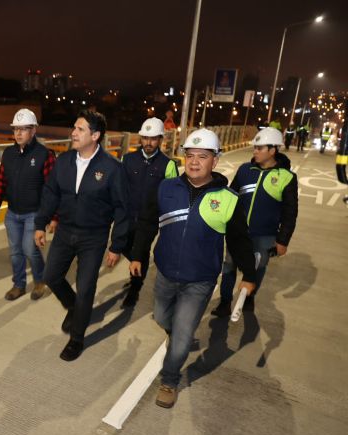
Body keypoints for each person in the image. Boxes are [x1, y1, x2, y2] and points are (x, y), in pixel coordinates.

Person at [130, 128, 257, 408]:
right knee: (163, 318)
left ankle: (170, 380)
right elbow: (148, 224)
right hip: (164, 272)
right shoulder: (166, 188)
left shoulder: (228, 199)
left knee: (183, 334)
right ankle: (174, 333)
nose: (195, 162)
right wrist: (138, 255)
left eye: (202, 156)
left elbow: (239, 241)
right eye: (190, 155)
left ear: (215, 161)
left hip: (199, 281)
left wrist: (249, 275)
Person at [34, 110, 130, 362]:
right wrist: (40, 223)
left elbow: (122, 208)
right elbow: (50, 193)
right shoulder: (64, 161)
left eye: (80, 129)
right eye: (73, 128)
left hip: (94, 236)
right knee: (51, 276)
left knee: (86, 287)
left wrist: (116, 245)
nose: (73, 133)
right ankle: (75, 307)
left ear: (95, 136)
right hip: (65, 231)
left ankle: (77, 339)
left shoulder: (111, 168)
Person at [212, 127, 298, 316]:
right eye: (255, 148)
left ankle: (249, 297)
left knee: (258, 268)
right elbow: (231, 196)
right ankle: (225, 302)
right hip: (237, 232)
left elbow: (290, 212)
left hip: (265, 235)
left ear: (273, 150)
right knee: (229, 266)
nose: (255, 151)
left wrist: (282, 241)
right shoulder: (245, 170)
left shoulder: (286, 178)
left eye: (259, 148)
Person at [0, 109, 56, 301]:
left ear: (33, 131)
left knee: (30, 249)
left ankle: (40, 280)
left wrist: (53, 216)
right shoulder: (9, 154)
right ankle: (18, 285)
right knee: (16, 253)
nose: (18, 133)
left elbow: (51, 190)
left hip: (34, 214)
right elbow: (1, 182)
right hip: (12, 214)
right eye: (16, 129)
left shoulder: (45, 155)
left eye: (23, 129)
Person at [120, 117, 178, 308]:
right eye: (145, 138)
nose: (148, 143)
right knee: (125, 247)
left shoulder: (168, 165)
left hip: (149, 220)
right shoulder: (127, 159)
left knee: (141, 251)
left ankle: (135, 289)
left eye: (153, 139)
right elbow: (119, 188)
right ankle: (138, 270)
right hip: (127, 217)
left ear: (161, 139)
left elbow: (173, 196)